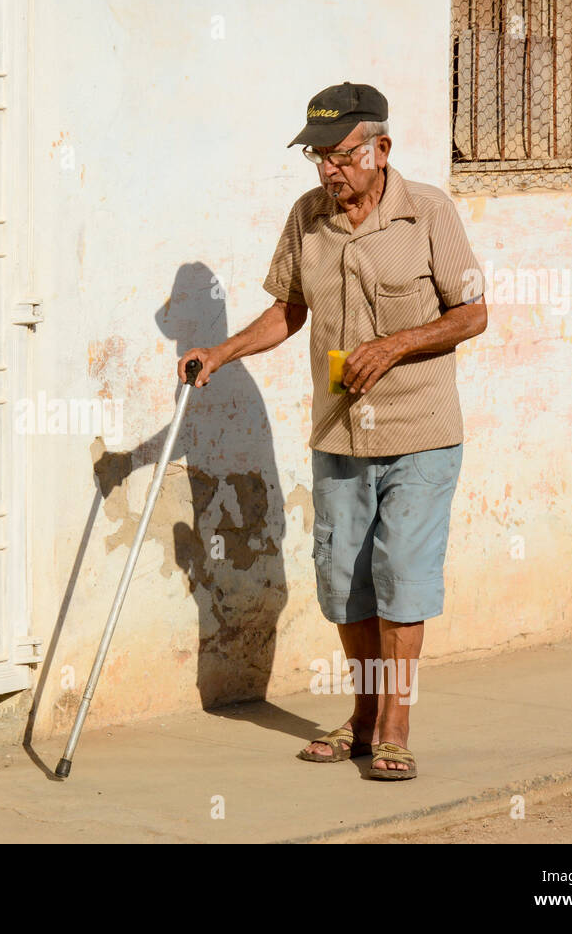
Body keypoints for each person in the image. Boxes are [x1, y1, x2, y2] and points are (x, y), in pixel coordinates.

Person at [178, 82, 488, 779]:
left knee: (401, 575)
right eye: (317, 155)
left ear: (381, 149)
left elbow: (472, 315)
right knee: (346, 583)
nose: (328, 169)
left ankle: (395, 726)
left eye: (341, 155)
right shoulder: (307, 218)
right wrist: (221, 352)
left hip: (420, 431)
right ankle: (364, 715)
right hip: (339, 432)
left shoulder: (429, 212)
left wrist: (396, 345)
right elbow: (289, 310)